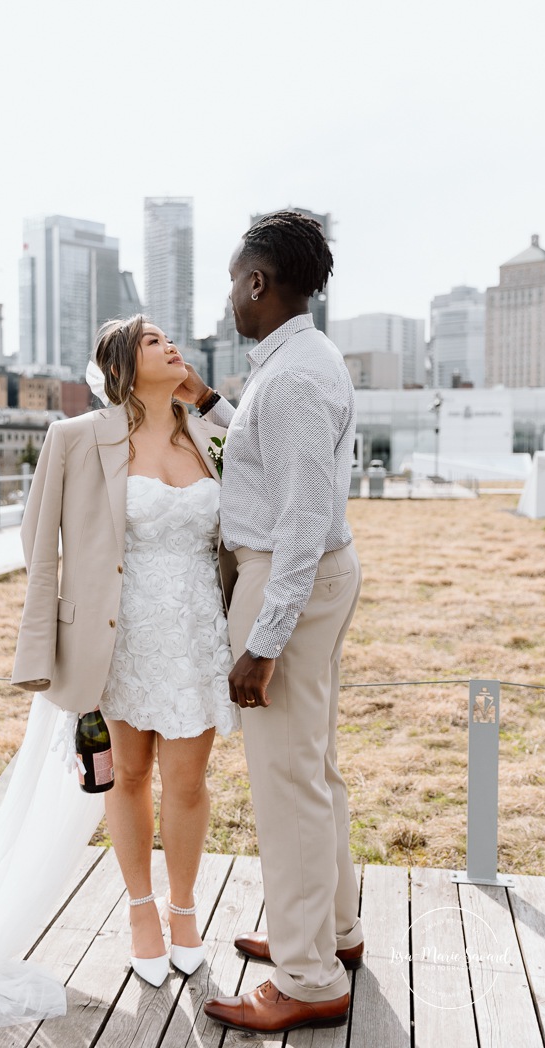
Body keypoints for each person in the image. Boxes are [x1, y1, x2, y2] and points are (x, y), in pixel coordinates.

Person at [0, 315, 239, 1046]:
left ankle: (185, 908)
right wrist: (42, 654)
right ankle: (139, 909)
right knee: (127, 776)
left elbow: (261, 479)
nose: (171, 346)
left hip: (198, 633)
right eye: (152, 341)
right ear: (124, 367)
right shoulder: (74, 439)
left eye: (172, 339)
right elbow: (41, 549)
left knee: (190, 783)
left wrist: (210, 401)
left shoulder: (212, 439)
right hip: (117, 637)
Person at [175, 211, 363, 1035]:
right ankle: (332, 933)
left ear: (259, 281)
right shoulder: (302, 360)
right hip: (321, 576)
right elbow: (266, 451)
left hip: (286, 581)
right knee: (313, 767)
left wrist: (262, 643)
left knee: (286, 785)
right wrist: (208, 403)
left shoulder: (290, 377)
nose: (227, 299)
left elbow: (296, 517)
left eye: (231, 281)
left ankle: (308, 976)